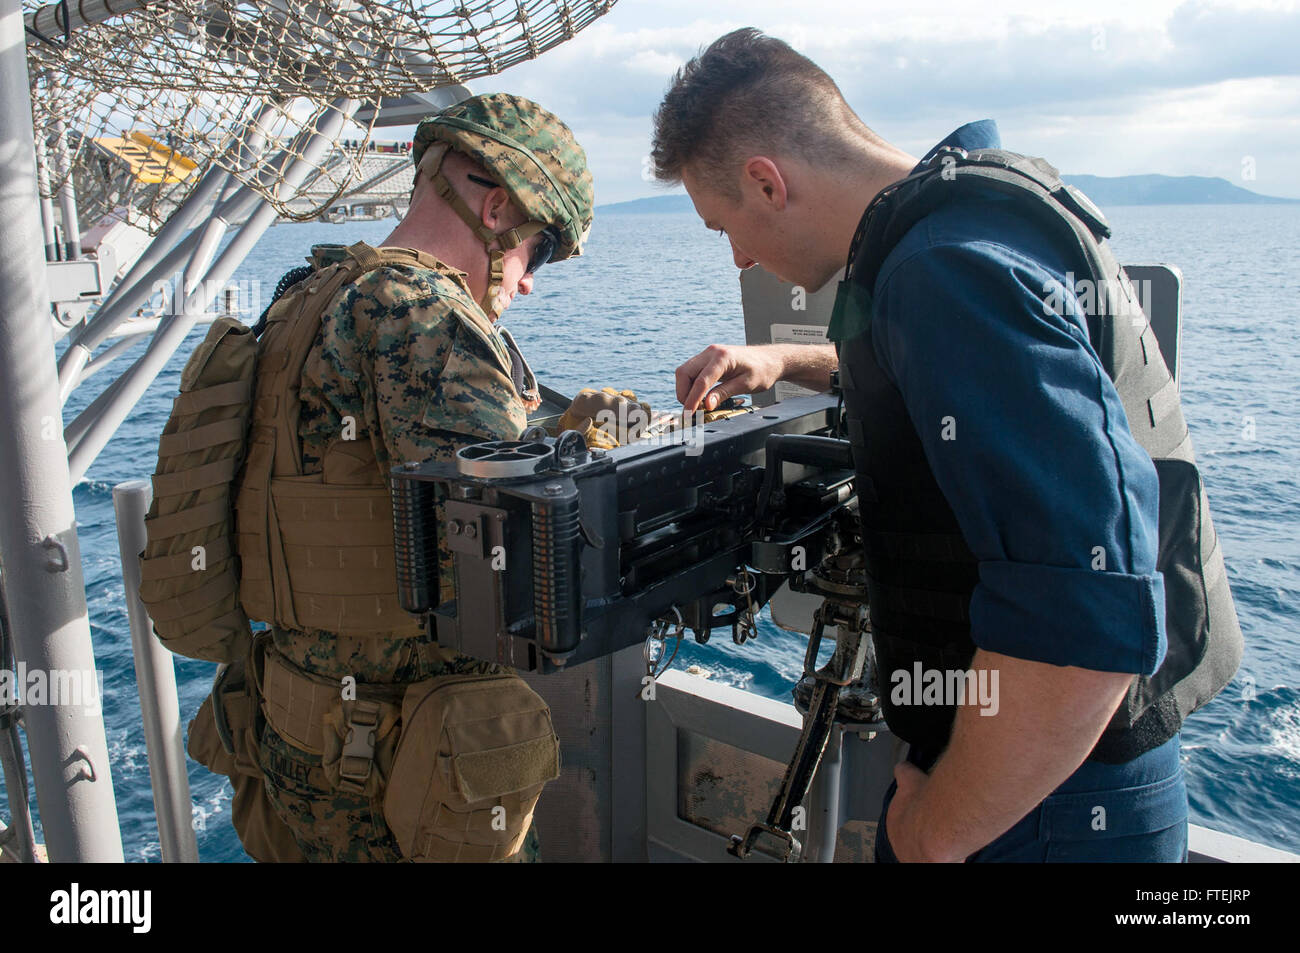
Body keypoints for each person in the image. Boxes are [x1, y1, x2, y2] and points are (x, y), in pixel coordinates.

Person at [655, 29, 1240, 862]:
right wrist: (782, 360)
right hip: (1059, 772)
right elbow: (938, 372)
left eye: (725, 229)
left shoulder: (945, 270)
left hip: (1045, 799)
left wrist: (937, 833)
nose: (742, 256)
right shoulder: (968, 226)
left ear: (765, 180)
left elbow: (1088, 615)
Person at [225, 92, 595, 862]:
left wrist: (552, 436)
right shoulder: (429, 317)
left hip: (295, 732)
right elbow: (506, 567)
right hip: (397, 760)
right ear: (495, 210)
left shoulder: (307, 295)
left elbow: (362, 481)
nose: (529, 283)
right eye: (542, 250)